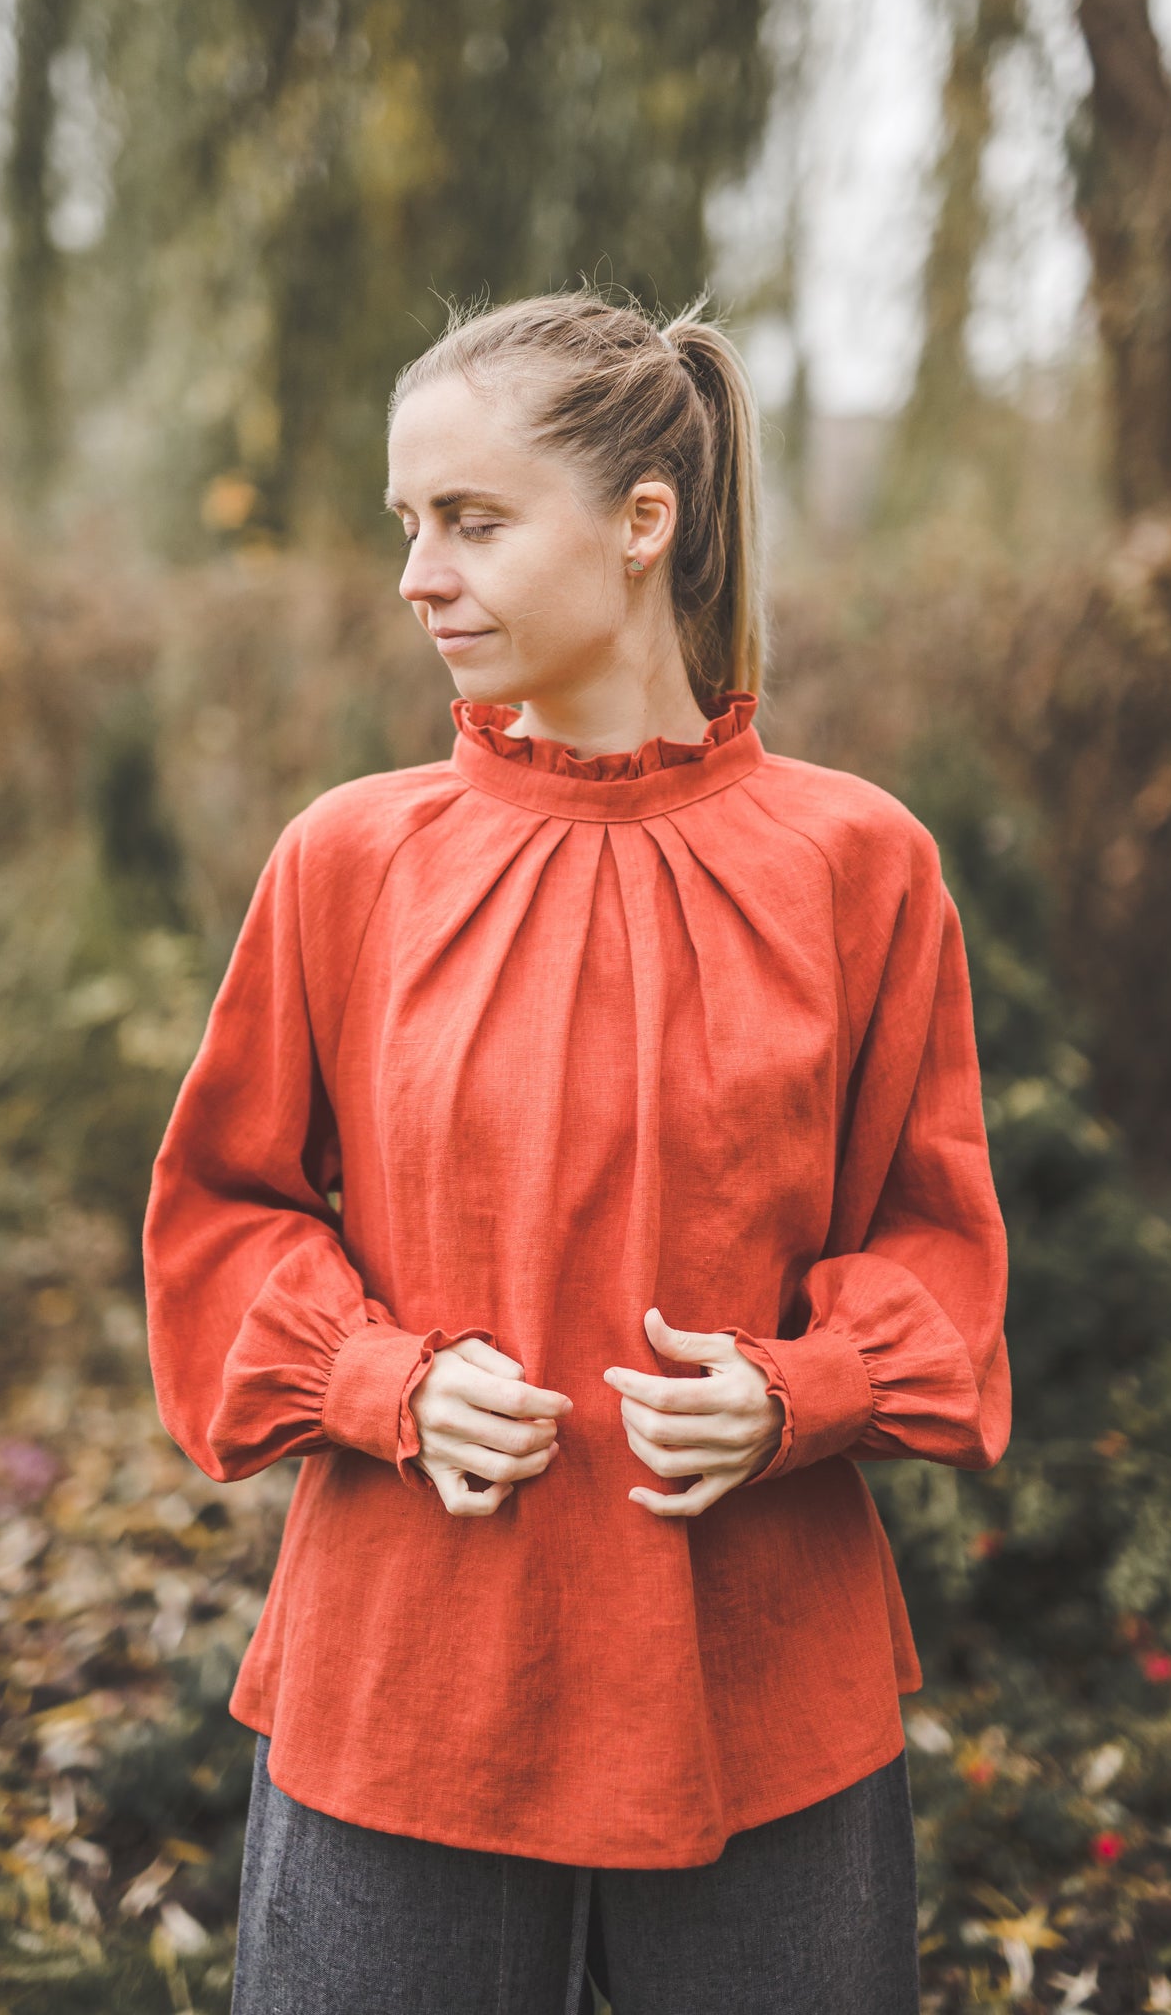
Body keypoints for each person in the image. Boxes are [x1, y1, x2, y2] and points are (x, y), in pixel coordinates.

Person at [142, 289, 1011, 2015]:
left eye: (468, 521)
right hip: (405, 1678)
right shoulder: (346, 860)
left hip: (760, 1684)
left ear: (641, 523)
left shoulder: (861, 864)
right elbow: (221, 1215)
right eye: (409, 525)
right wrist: (380, 1379)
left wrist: (802, 1390)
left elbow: (939, 1240)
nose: (417, 575)